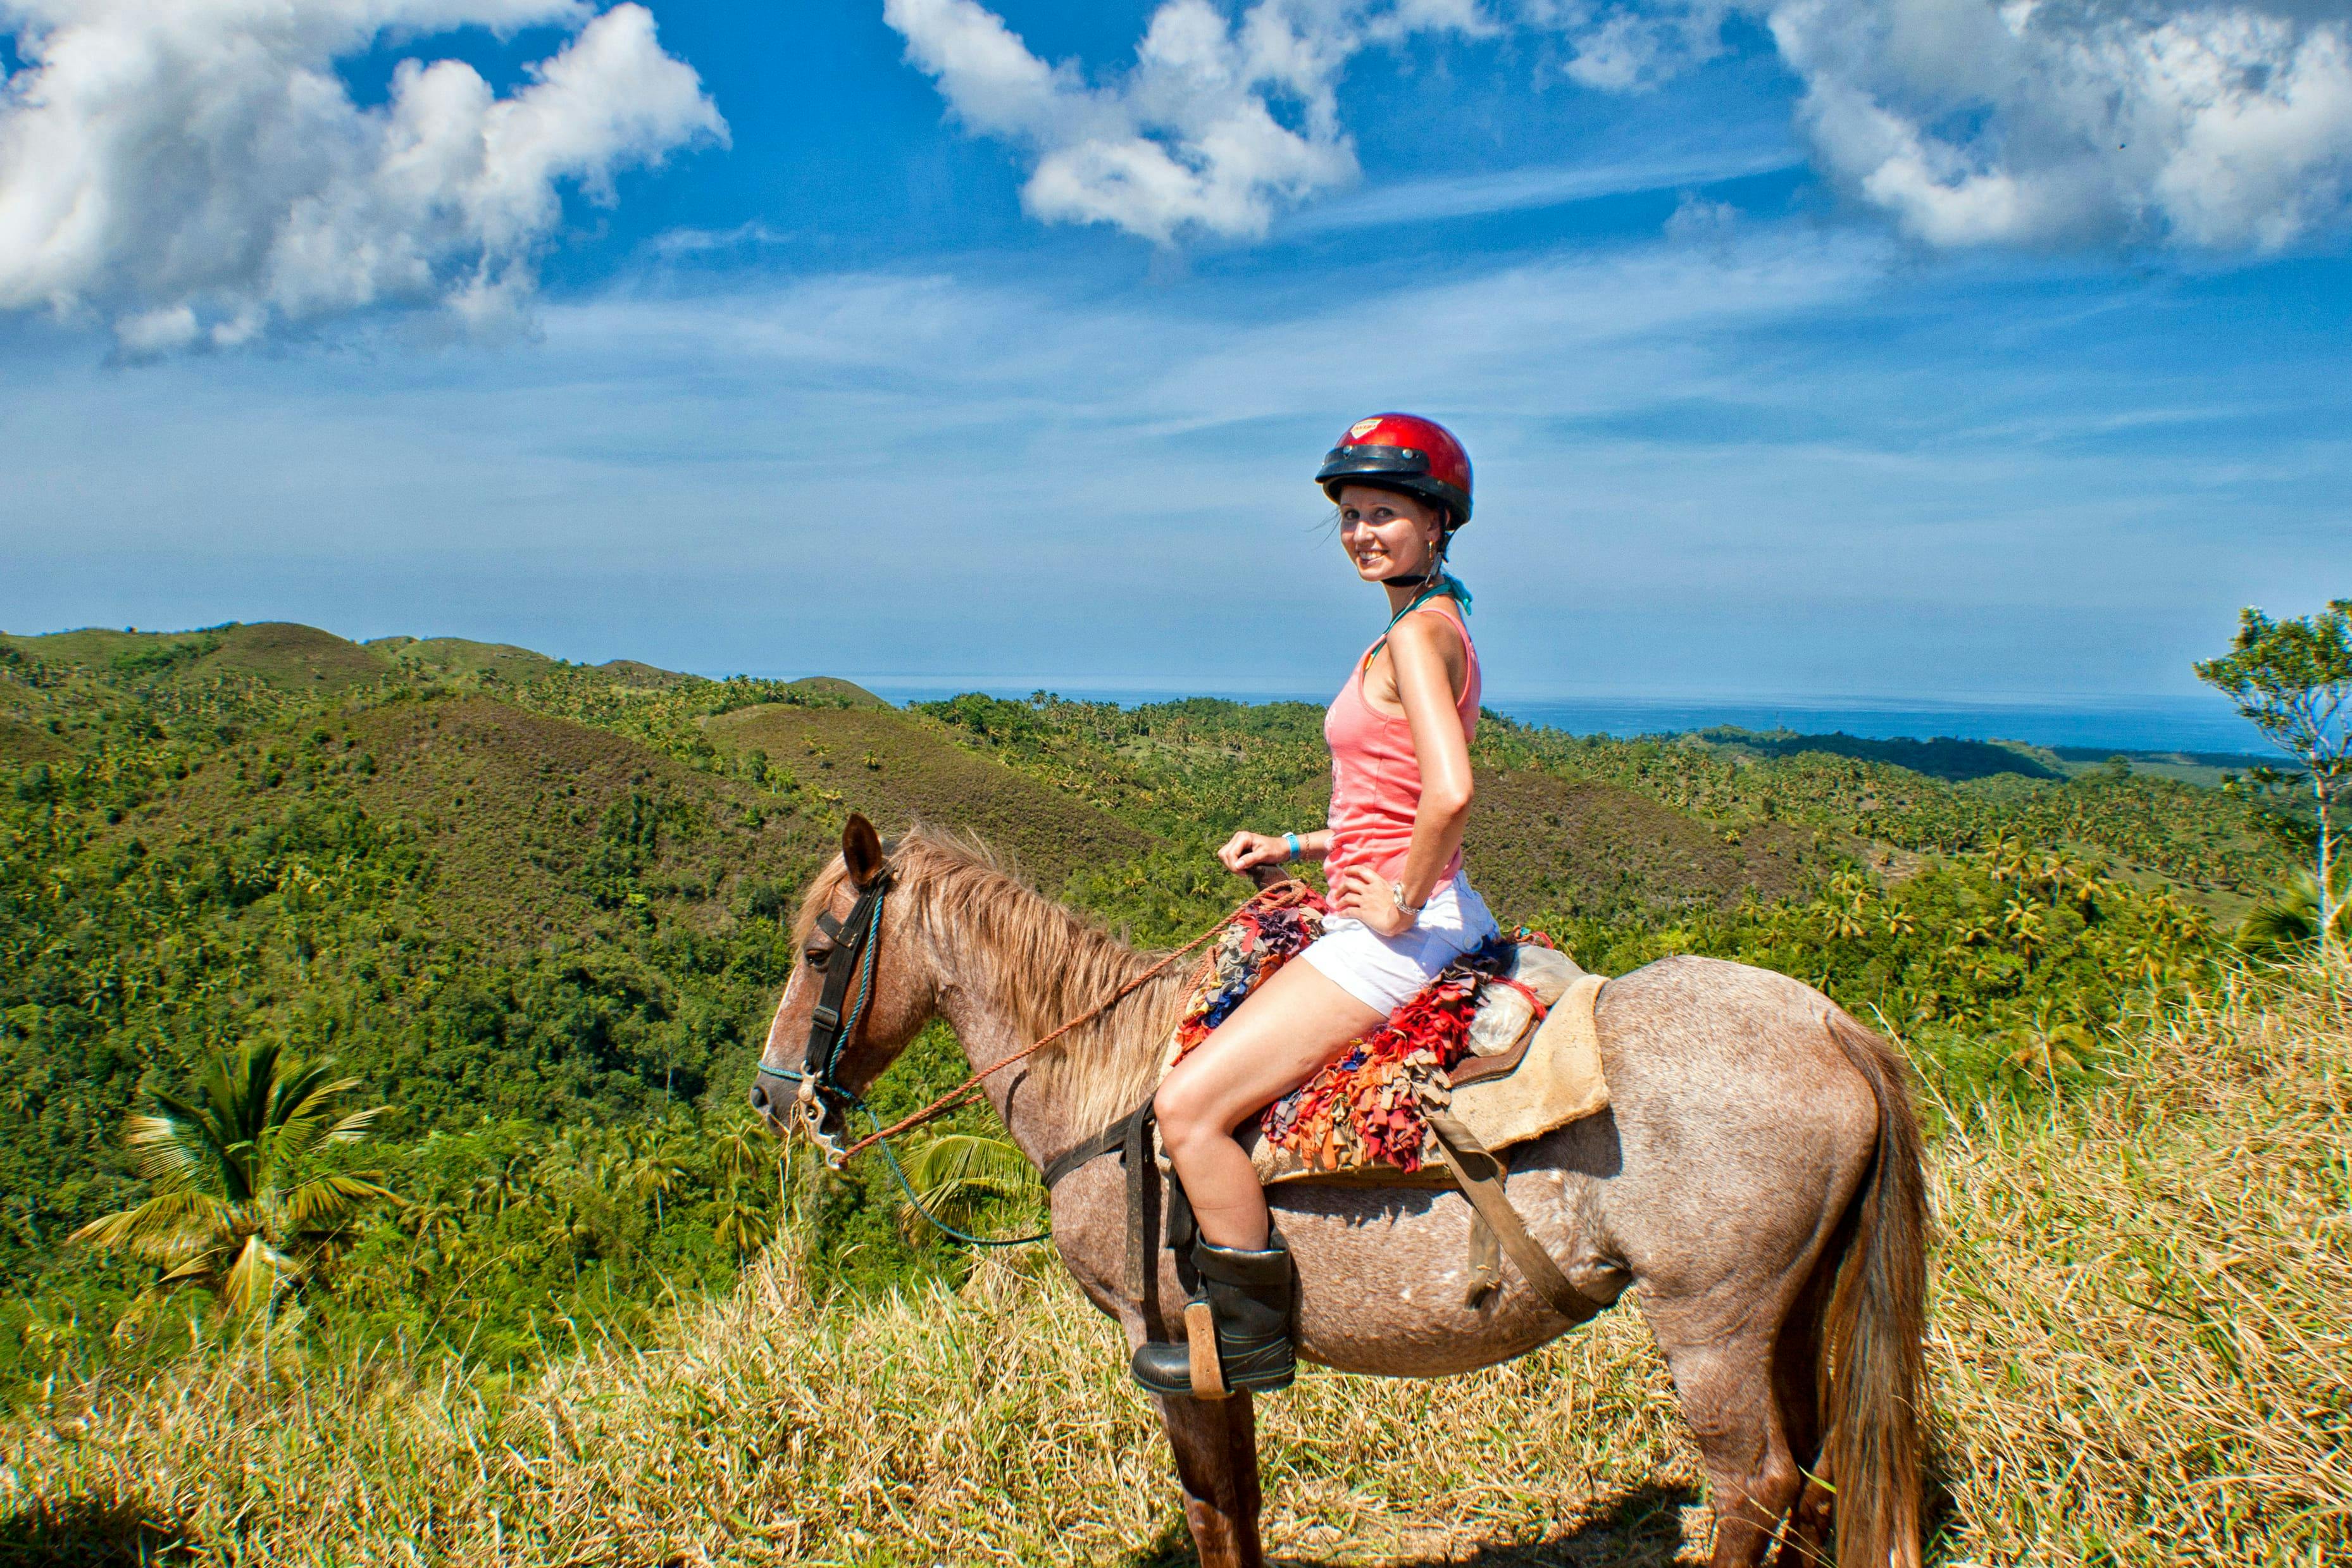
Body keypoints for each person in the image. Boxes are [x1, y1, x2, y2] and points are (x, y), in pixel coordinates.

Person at [1131, 413, 1501, 1398]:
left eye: (1383, 512)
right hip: (1432, 911)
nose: (1360, 532)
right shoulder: (1432, 622)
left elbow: (1450, 791)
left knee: (1187, 1108)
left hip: (1395, 937)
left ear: (1436, 521)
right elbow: (1386, 801)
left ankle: (1250, 1344)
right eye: (1348, 514)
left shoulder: (1417, 639)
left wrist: (1397, 900)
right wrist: (1295, 846)